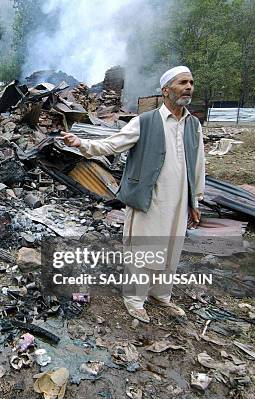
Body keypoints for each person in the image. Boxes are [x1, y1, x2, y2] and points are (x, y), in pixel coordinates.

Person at [62, 66, 205, 323]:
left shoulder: (193, 125)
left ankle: (161, 295)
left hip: (180, 199)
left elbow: (198, 164)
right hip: (149, 198)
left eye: (191, 82)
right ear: (166, 90)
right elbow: (112, 144)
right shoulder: (146, 121)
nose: (189, 87)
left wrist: (196, 200)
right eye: (183, 82)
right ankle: (135, 299)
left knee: (172, 247)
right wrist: (82, 144)